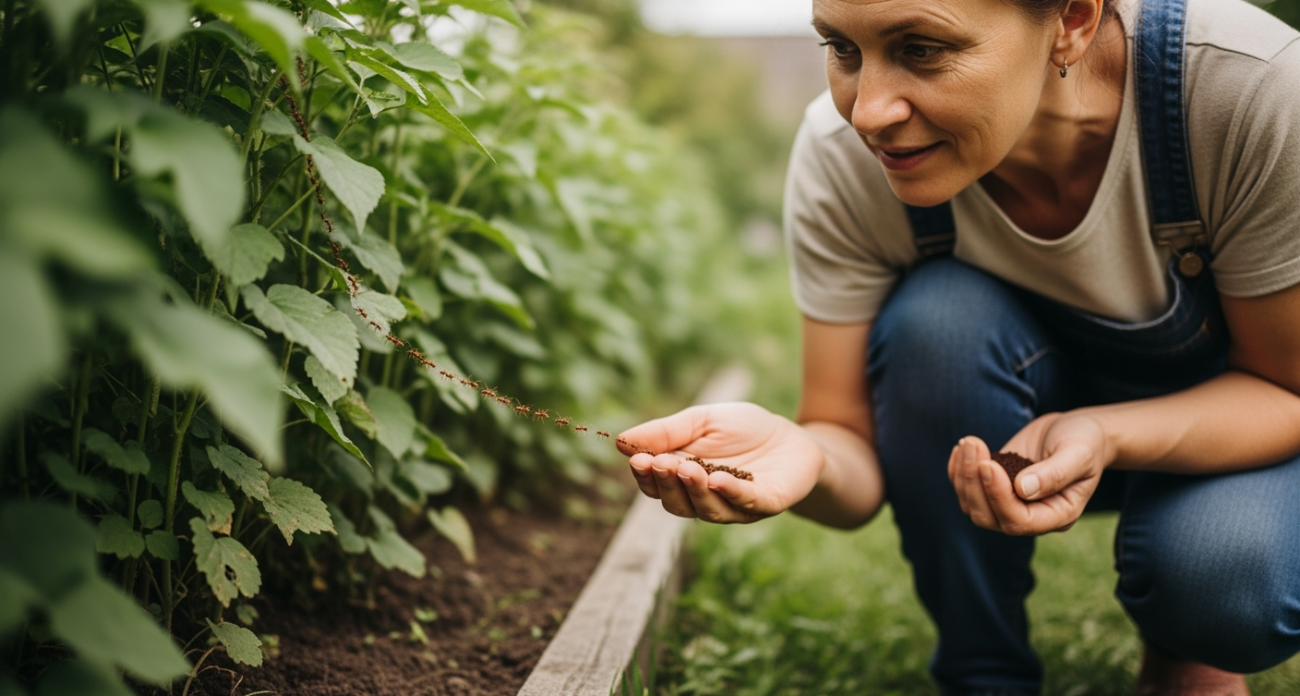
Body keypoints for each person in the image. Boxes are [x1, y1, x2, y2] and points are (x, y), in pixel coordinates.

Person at [616, 0, 1300, 693]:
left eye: (921, 49)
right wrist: (811, 455)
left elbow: (1287, 391)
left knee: (1225, 581)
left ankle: (1184, 649)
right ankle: (982, 673)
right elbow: (847, 445)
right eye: (843, 49)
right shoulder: (842, 158)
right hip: (1023, 419)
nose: (868, 113)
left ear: (1071, 20)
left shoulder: (1246, 90)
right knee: (936, 323)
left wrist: (1103, 431)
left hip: (1239, 423)